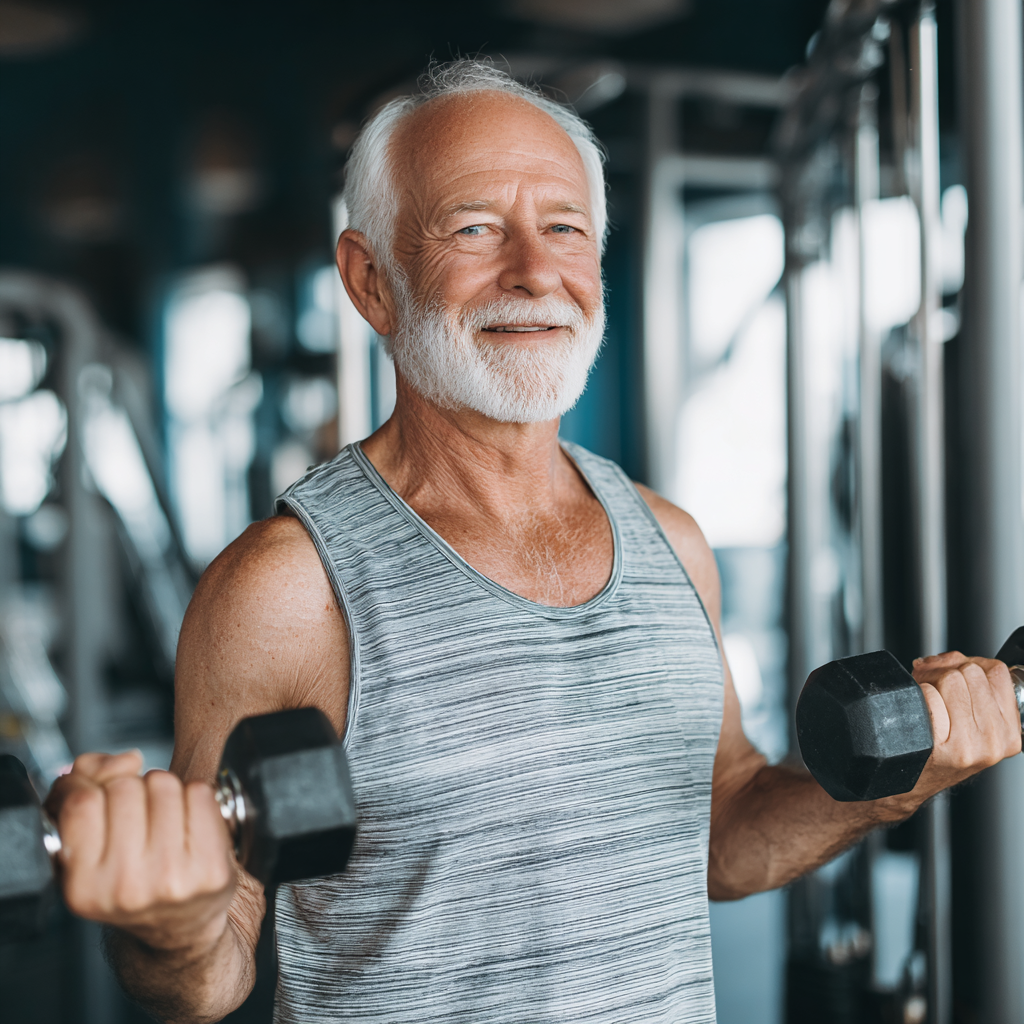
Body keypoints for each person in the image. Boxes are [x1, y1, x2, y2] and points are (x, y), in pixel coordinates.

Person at [46, 60, 1021, 1024]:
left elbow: (720, 833)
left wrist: (890, 787)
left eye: (564, 228)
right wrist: (170, 925)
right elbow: (210, 972)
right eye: (474, 228)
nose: (534, 270)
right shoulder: (286, 588)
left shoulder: (671, 541)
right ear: (370, 280)